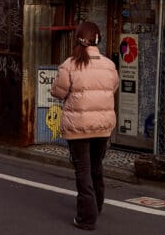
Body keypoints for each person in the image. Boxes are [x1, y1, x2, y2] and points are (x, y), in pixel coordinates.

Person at [51, 21, 119, 230]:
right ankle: (96, 205)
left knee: (83, 170)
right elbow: (114, 86)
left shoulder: (69, 65)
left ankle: (87, 218)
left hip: (77, 126)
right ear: (98, 39)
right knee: (96, 166)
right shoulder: (109, 65)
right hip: (103, 125)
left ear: (78, 39)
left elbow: (58, 92)